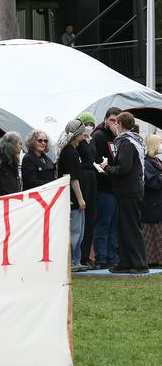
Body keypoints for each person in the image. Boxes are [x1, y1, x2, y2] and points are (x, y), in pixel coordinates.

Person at [100, 112, 148, 274]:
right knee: (124, 227)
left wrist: (106, 168)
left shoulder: (126, 142)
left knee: (131, 227)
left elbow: (124, 168)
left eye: (116, 122)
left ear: (120, 124)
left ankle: (139, 264)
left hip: (129, 190)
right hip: (131, 190)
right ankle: (126, 262)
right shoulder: (134, 140)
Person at [91, 107, 121, 269]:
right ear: (105, 120)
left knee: (114, 225)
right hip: (104, 187)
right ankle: (101, 258)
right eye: (112, 120)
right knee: (103, 223)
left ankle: (112, 257)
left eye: (117, 121)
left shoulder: (120, 138)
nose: (115, 124)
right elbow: (96, 163)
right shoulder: (98, 136)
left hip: (117, 188)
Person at [57, 119, 87, 272]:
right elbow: (72, 177)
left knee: (79, 231)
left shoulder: (73, 151)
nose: (84, 134)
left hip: (74, 197)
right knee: (75, 230)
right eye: (81, 132)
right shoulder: (69, 152)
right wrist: (80, 199)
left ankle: (76, 259)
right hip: (72, 198)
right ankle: (72, 261)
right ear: (76, 134)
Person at [76, 111, 98, 268]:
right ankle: (79, 256)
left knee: (91, 218)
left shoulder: (92, 141)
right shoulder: (78, 142)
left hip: (93, 177)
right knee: (81, 219)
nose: (89, 127)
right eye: (86, 124)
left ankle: (85, 256)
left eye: (91, 124)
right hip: (84, 177)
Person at [142, 134, 162, 267]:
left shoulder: (157, 161)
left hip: (158, 203)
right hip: (151, 204)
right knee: (152, 233)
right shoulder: (146, 162)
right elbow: (151, 182)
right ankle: (152, 259)